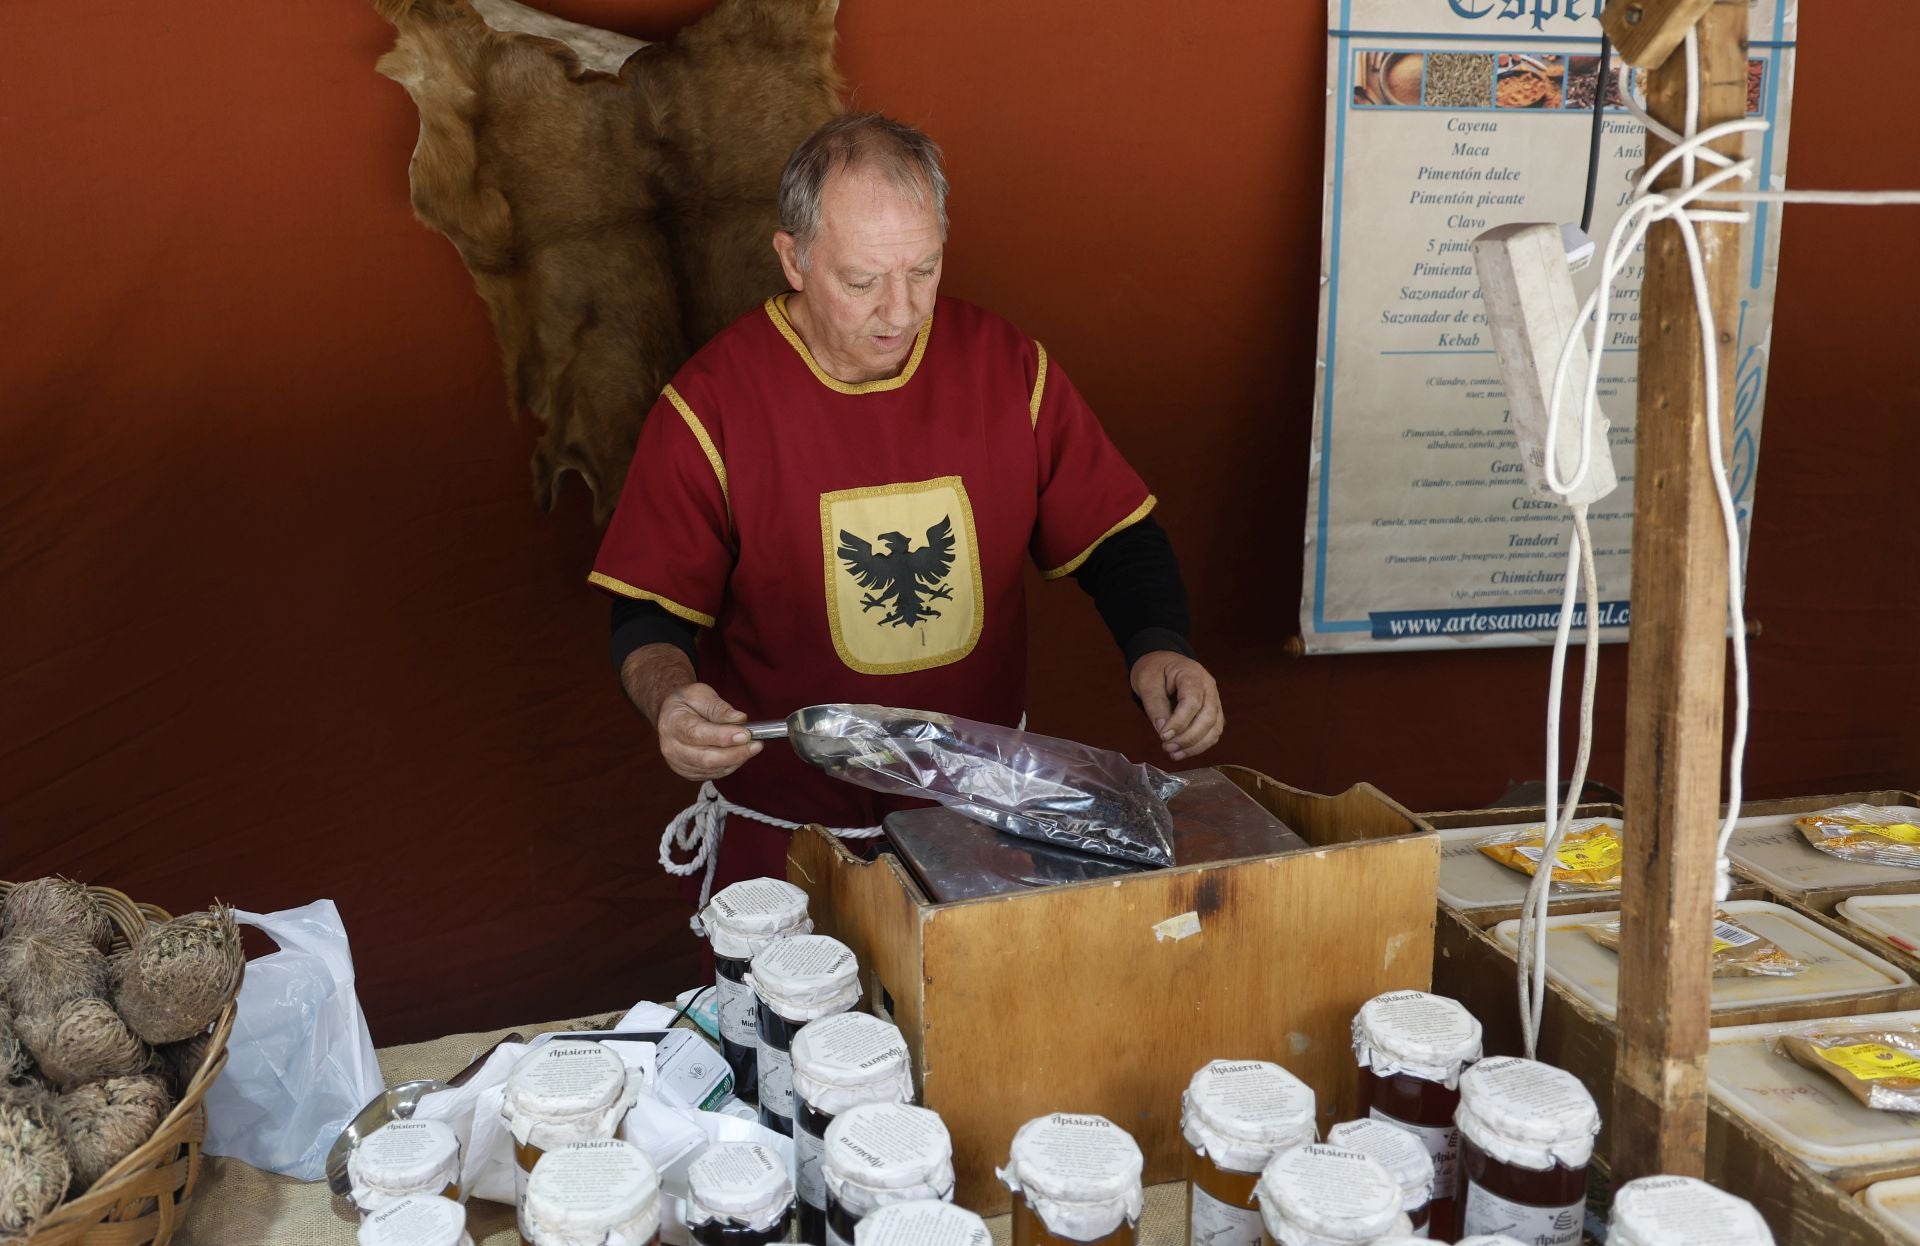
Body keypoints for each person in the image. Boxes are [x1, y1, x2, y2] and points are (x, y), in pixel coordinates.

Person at [590, 113, 1224, 913]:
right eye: (862, 282)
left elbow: (1117, 538)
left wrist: (1158, 649)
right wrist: (669, 698)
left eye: (922, 270)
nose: (900, 311)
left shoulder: (1006, 368)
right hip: (791, 838)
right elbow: (645, 612)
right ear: (793, 258)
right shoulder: (711, 407)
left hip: (981, 822)